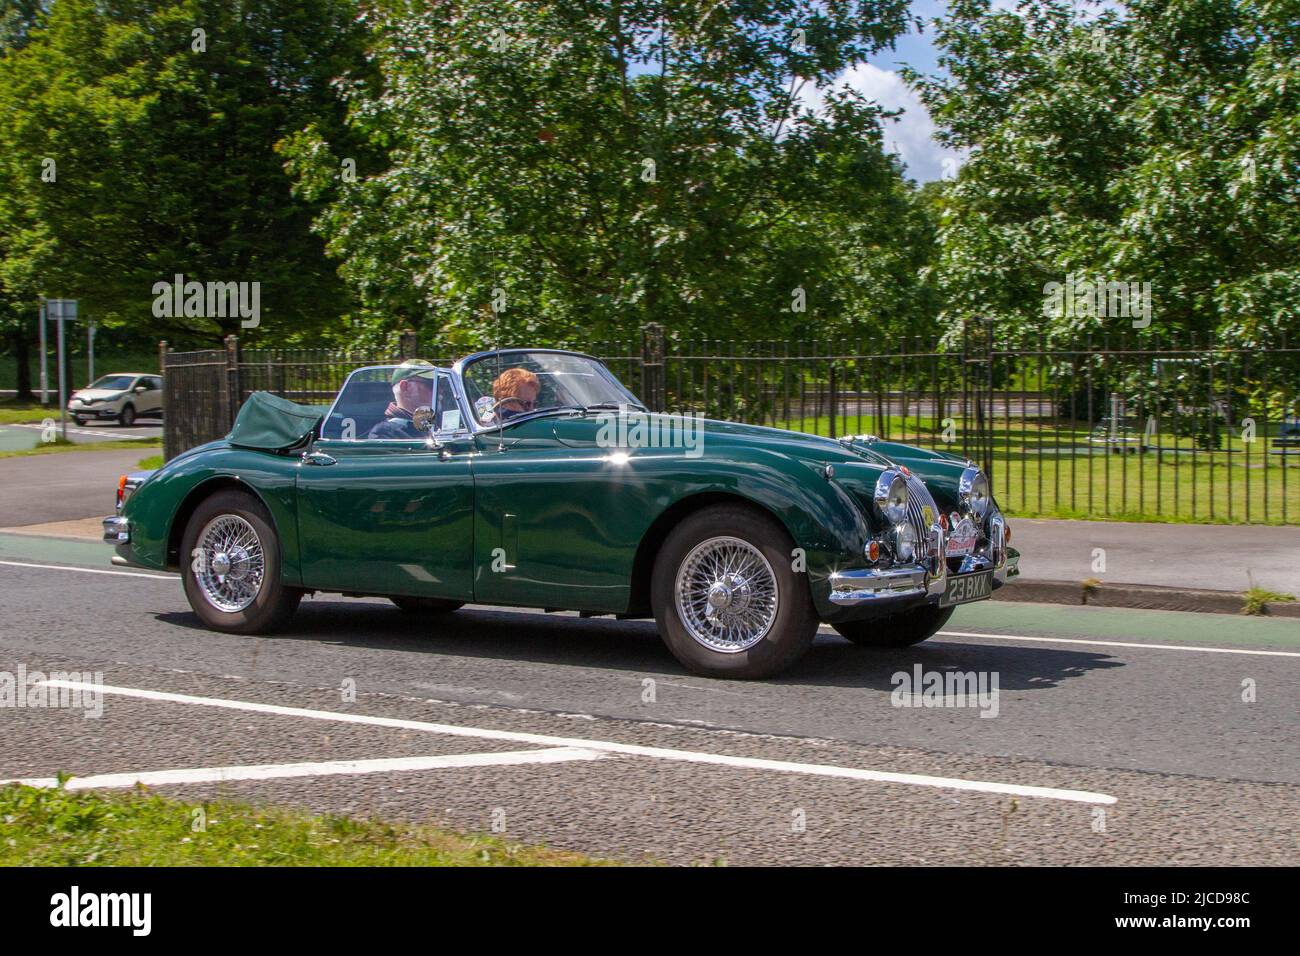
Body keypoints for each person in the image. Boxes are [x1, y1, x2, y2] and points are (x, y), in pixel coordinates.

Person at [368, 360, 436, 439]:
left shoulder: (433, 422)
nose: (439, 390)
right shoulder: (384, 433)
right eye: (431, 384)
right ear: (405, 387)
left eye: (438, 384)